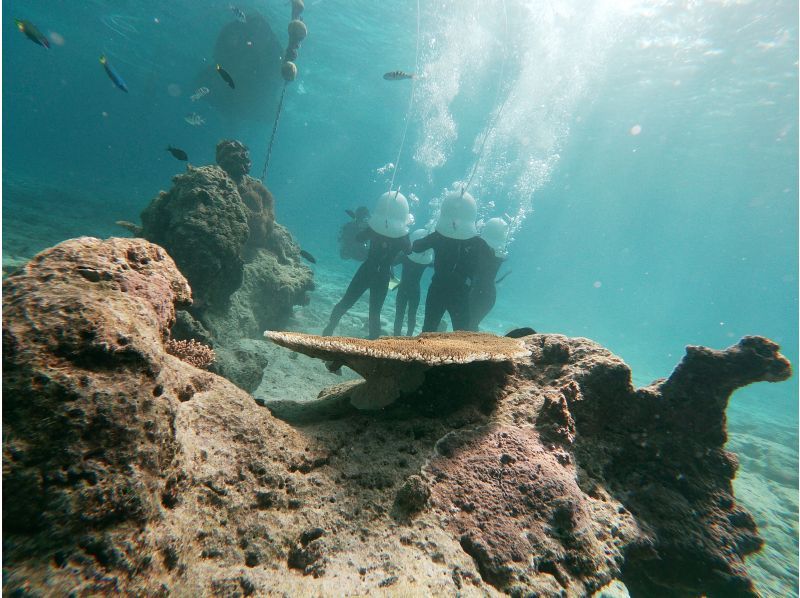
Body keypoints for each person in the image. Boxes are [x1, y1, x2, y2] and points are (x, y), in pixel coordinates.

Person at [323, 192, 411, 339]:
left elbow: (359, 238)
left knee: (346, 301)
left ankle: (329, 329)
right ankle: (372, 344)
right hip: (383, 274)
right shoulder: (402, 234)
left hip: (367, 269)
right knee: (375, 312)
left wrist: (368, 227)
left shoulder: (375, 227)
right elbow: (409, 250)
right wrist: (405, 230)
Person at [413, 190, 489, 332]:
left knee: (428, 330)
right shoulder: (477, 242)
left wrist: (430, 233)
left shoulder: (438, 237)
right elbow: (488, 262)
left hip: (438, 289)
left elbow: (416, 247)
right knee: (462, 334)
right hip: (461, 292)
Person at [469, 217, 509, 330]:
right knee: (472, 326)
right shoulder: (501, 249)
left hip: (474, 292)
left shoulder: (479, 245)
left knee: (466, 326)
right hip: (489, 296)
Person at [393, 229, 433, 336]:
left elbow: (391, 263)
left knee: (399, 314)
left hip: (403, 288)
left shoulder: (405, 255)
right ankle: (409, 338)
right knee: (412, 315)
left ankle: (395, 337)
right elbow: (437, 265)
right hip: (415, 290)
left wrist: (392, 281)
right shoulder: (427, 261)